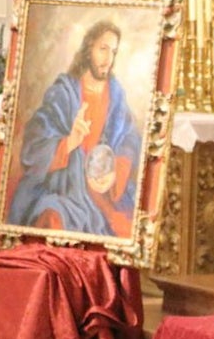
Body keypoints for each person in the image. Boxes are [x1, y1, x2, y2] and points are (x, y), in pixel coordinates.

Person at [8, 20, 141, 237]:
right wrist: (69, 142)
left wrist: (116, 171)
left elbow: (129, 138)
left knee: (125, 229)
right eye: (103, 49)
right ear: (89, 49)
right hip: (65, 187)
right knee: (52, 217)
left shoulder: (116, 95)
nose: (108, 59)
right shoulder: (63, 93)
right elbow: (33, 145)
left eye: (114, 52)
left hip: (104, 191)